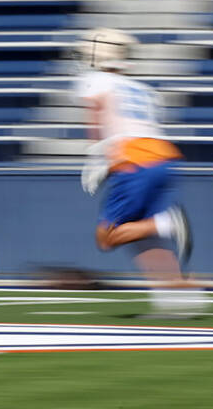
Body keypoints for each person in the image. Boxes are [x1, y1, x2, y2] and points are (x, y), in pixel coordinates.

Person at [75, 27, 206, 316]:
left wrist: (97, 154)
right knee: (140, 236)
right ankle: (177, 296)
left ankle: (167, 223)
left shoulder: (97, 79)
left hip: (134, 159)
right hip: (164, 156)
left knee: (106, 237)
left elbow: (97, 113)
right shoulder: (141, 88)